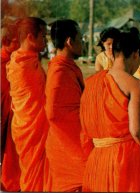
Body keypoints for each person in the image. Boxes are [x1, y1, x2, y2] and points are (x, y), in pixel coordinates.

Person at [80, 29, 140, 192]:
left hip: (97, 158)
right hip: (125, 160)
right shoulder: (135, 85)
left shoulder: (90, 83)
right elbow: (137, 130)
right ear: (136, 54)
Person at [6, 17, 49, 191]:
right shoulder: (21, 65)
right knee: (32, 177)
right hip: (30, 127)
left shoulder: (28, 60)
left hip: (31, 126)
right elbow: (34, 100)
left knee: (36, 175)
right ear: (31, 37)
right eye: (43, 36)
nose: (46, 41)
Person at [44, 19, 86, 192]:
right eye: (81, 38)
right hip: (67, 145)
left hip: (70, 142)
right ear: (69, 41)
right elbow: (53, 113)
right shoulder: (59, 73)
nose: (83, 43)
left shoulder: (67, 67)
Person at [1, 19, 21, 192]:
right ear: (6, 42)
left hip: (14, 118)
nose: (19, 45)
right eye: (16, 42)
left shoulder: (15, 62)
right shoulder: (3, 63)